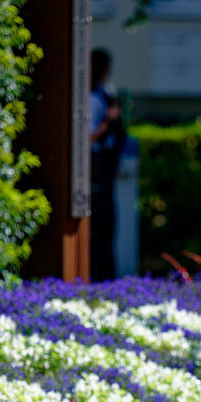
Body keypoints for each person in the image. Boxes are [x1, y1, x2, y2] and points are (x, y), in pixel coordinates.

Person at [90, 48, 125, 282]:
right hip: (92, 167)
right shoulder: (91, 98)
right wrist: (107, 123)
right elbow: (88, 137)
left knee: (106, 229)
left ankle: (106, 277)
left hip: (105, 169)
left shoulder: (106, 94)